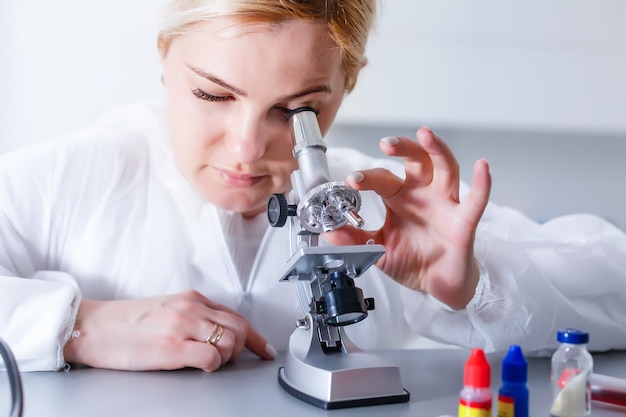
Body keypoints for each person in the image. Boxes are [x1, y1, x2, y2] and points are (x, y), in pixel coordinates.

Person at [1, 0, 626, 373]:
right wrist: (77, 326)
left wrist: (474, 284)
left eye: (295, 111)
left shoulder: (373, 201)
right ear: (164, 57)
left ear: (345, 87)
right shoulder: (73, 176)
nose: (247, 148)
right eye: (213, 95)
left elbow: (613, 286)